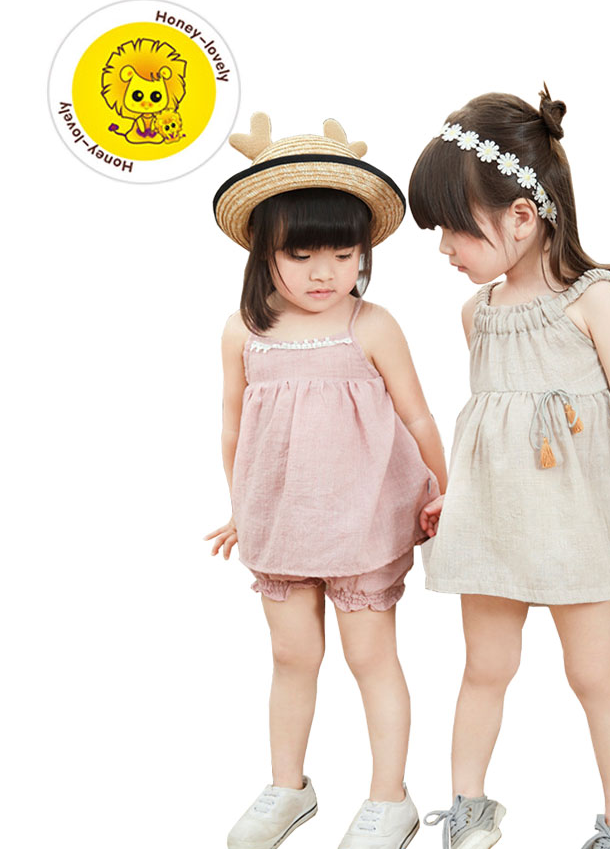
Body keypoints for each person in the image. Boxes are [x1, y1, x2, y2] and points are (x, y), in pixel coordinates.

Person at [408, 89, 610, 849]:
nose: (445, 249)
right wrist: (459, 499)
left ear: (522, 217)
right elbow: (491, 427)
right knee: (484, 667)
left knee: (593, 674)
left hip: (581, 522)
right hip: (494, 523)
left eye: (455, 229)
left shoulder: (593, 302)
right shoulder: (477, 315)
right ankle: (469, 807)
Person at [205, 112, 447, 849]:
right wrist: (241, 508)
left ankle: (389, 798)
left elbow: (418, 415)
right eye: (301, 253)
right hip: (280, 522)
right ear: (262, 250)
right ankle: (289, 786)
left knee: (370, 657)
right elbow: (234, 428)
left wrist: (448, 492)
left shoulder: (371, 325)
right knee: (291, 657)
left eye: (343, 254)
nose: (324, 273)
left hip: (364, 523)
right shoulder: (243, 331)